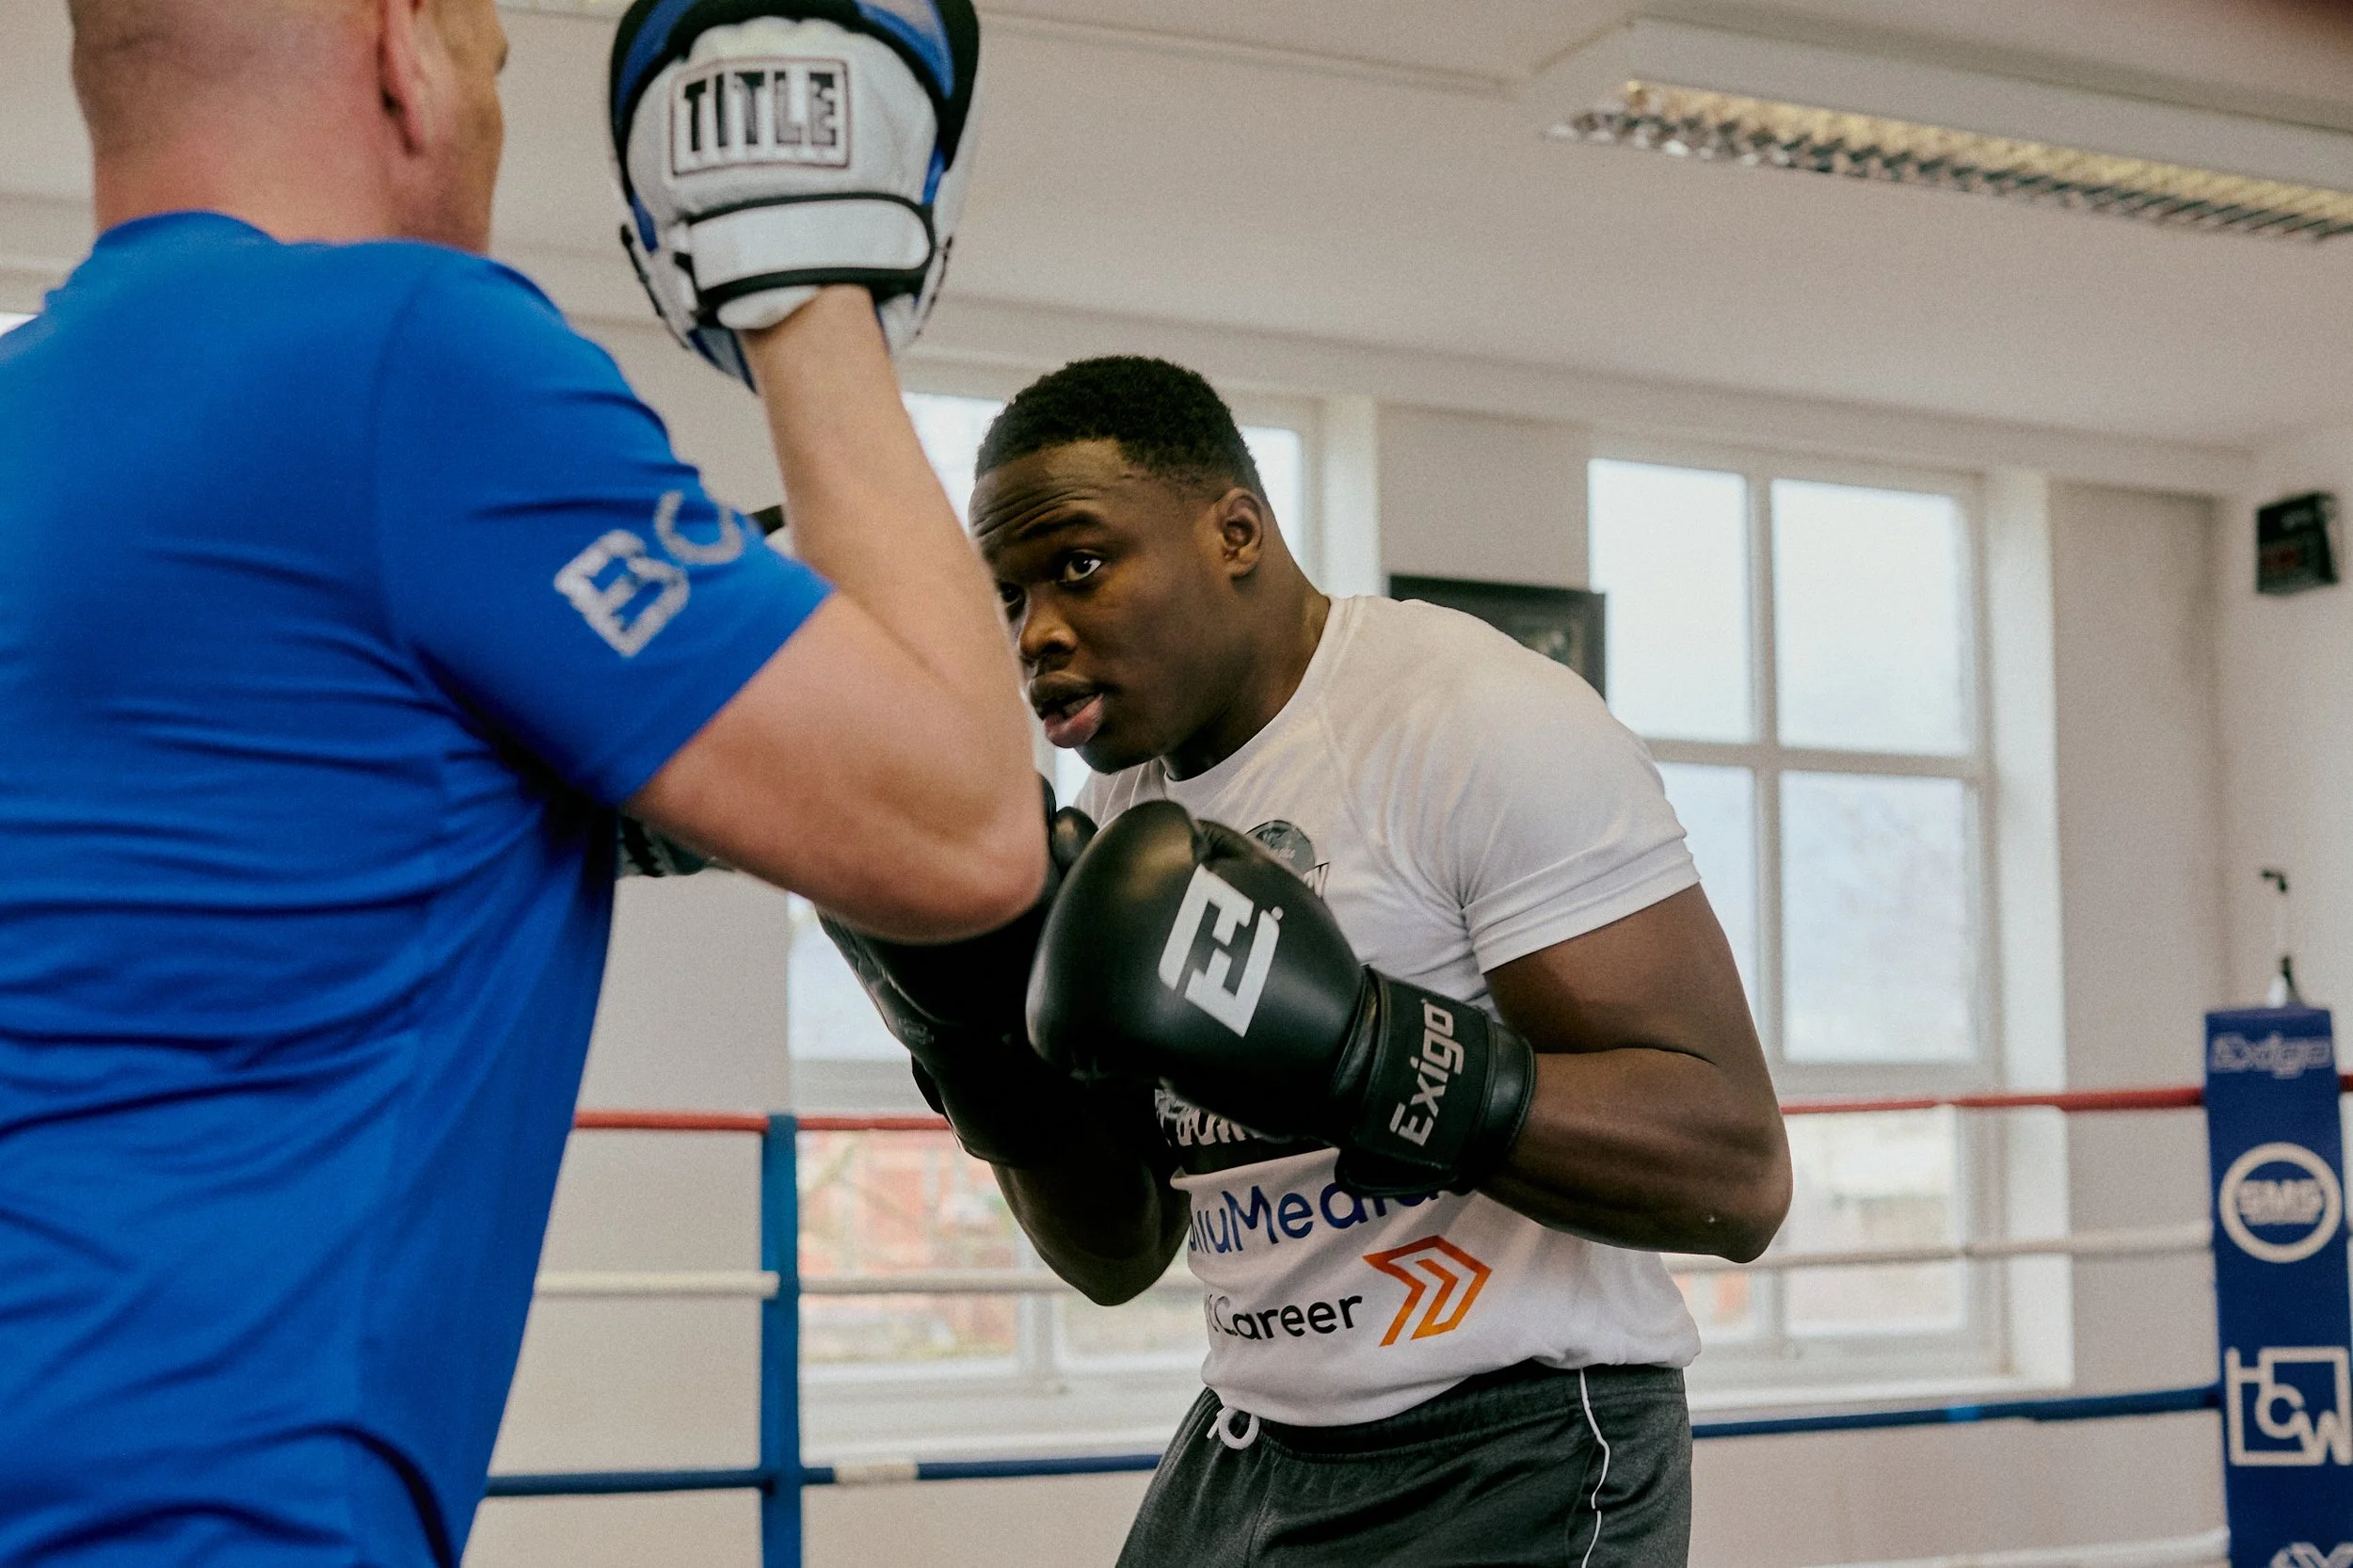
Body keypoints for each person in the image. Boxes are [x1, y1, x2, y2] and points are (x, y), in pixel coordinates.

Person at [0, 1, 1037, 1563]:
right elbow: (961, 823)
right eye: (495, 60)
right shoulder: (411, 355)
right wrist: (803, 277)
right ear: (406, 49)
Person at [950, 355, 1788, 1565]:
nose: (1040, 632)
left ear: (1234, 530)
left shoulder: (1472, 720)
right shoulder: (1125, 808)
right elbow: (1117, 1252)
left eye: (1078, 565)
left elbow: (1737, 1168)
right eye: (1010, 595)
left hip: (1515, 1440)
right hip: (1255, 1427)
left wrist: (1361, 1053)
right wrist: (971, 1042)